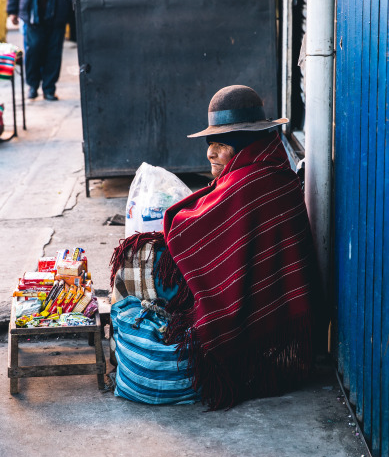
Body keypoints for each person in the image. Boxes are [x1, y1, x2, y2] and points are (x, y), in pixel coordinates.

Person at [110, 85, 316, 409]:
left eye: (220, 145)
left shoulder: (252, 182)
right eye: (211, 144)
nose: (210, 154)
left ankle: (132, 351)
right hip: (269, 308)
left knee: (133, 268)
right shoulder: (271, 168)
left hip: (256, 316)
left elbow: (196, 231)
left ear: (243, 146)